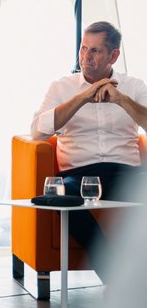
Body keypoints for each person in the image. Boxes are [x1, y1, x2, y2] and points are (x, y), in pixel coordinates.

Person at [31, 21, 147, 283]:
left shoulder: (134, 86)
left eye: (94, 51)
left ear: (113, 55)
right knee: (60, 197)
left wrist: (123, 101)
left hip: (125, 172)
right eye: (83, 49)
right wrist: (81, 98)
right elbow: (38, 130)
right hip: (78, 173)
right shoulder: (62, 87)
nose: (86, 57)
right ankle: (114, 275)